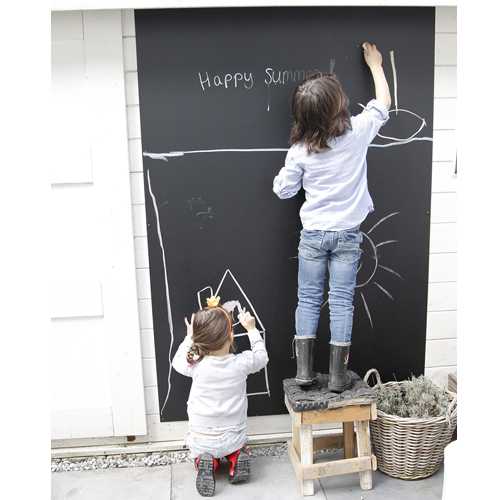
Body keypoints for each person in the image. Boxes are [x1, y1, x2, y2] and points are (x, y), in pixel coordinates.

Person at [272, 42, 391, 392]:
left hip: (313, 237)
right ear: (339, 106)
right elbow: (383, 104)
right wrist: (375, 66)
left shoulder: (300, 151)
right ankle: (338, 376)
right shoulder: (357, 133)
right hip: (347, 237)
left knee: (307, 300)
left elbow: (284, 191)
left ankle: (305, 373)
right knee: (341, 303)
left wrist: (282, 176)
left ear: (301, 116)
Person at [172, 296, 269, 497]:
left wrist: (189, 336)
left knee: (202, 450)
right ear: (231, 336)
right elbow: (262, 357)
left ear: (199, 340)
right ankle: (235, 458)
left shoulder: (195, 366)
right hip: (234, 435)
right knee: (236, 444)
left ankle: (207, 462)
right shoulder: (241, 362)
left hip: (202, 438)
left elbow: (177, 362)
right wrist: (251, 329)